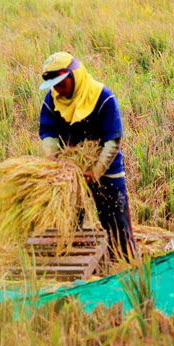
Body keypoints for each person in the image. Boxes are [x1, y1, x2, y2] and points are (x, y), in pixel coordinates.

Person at [38, 51, 137, 261]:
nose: (57, 90)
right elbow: (48, 132)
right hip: (69, 172)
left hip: (106, 169)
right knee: (68, 224)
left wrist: (96, 170)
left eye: (60, 84)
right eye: (53, 86)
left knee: (117, 225)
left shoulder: (102, 97)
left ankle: (124, 266)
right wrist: (53, 158)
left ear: (73, 76)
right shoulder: (52, 99)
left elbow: (113, 140)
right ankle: (73, 274)